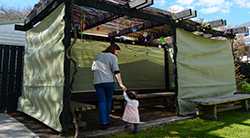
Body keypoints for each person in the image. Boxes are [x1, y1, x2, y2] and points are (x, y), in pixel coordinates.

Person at [91, 43, 127, 129]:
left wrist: (93, 80)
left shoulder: (98, 55)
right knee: (108, 101)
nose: (116, 54)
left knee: (102, 102)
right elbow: (116, 70)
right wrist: (121, 84)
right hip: (109, 82)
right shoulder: (112, 57)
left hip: (97, 82)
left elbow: (93, 69)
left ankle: (103, 122)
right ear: (114, 50)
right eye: (117, 52)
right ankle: (106, 120)